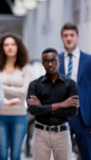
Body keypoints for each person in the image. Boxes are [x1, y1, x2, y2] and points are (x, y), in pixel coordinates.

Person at [27, 48, 78, 160]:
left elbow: (72, 111)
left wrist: (43, 107)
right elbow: (33, 110)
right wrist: (62, 104)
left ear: (59, 61)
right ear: (42, 63)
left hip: (62, 133)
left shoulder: (70, 84)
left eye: (53, 60)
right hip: (40, 133)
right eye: (46, 61)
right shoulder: (35, 85)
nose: (50, 64)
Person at [0, 32, 30, 160]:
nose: (10, 47)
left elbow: (25, 92)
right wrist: (12, 91)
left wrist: (1, 87)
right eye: (6, 44)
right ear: (2, 48)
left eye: (13, 44)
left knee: (15, 155)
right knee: (1, 155)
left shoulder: (25, 68)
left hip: (19, 116)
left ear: (18, 47)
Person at [59, 22, 91, 159]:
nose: (69, 38)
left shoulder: (89, 60)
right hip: (62, 116)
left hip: (83, 117)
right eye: (66, 35)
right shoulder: (55, 61)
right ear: (61, 37)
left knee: (87, 155)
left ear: (77, 36)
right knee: (61, 155)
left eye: (72, 35)